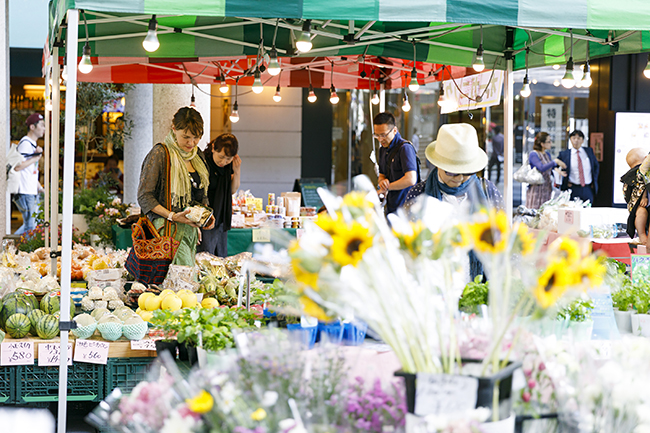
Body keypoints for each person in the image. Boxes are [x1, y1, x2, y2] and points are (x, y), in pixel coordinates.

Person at [404, 123, 503, 279]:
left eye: (467, 172)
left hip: (479, 287)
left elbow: (503, 240)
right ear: (438, 165)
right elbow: (408, 246)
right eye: (453, 172)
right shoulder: (419, 195)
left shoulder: (488, 191)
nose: (460, 178)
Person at [138, 107, 215, 267]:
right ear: (174, 129)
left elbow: (200, 195)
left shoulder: (198, 156)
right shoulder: (160, 154)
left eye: (196, 137)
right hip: (165, 233)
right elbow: (145, 197)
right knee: (180, 284)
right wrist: (172, 216)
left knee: (184, 284)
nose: (191, 143)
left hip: (189, 232)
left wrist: (204, 216)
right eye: (185, 137)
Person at [198, 133, 241, 258]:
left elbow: (232, 190)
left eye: (228, 158)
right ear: (213, 148)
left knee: (220, 257)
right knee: (205, 257)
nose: (224, 162)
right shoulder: (202, 163)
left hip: (221, 217)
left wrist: (237, 170)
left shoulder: (228, 167)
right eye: (221, 157)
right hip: (205, 218)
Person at [374, 112, 420, 215]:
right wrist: (382, 181)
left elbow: (411, 179)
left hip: (407, 208)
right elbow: (382, 174)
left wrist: (387, 187)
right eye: (377, 135)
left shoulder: (405, 148)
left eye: (383, 135)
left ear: (394, 130)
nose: (380, 139)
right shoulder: (382, 150)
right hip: (391, 206)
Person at [13, 113, 45, 235]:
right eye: (42, 125)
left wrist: (40, 188)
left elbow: (31, 171)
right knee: (30, 226)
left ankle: (9, 246)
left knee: (31, 225)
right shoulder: (25, 143)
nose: (44, 128)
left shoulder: (32, 144)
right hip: (24, 191)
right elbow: (17, 166)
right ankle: (14, 248)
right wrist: (35, 158)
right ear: (32, 127)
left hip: (30, 190)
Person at [525, 132, 567, 209]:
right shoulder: (533, 154)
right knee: (535, 212)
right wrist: (555, 161)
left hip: (546, 187)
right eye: (549, 141)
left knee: (544, 212)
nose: (551, 143)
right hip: (536, 188)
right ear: (542, 144)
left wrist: (557, 171)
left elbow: (548, 168)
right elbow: (541, 168)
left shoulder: (547, 154)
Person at [558, 130, 600, 203]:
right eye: (574, 138)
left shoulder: (589, 151)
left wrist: (594, 179)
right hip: (572, 188)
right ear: (570, 140)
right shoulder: (564, 154)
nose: (576, 140)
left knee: (588, 210)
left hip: (587, 188)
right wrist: (561, 175)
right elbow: (554, 166)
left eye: (579, 138)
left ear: (582, 140)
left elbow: (596, 166)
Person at [621, 148, 650, 244]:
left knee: (641, 213)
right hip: (639, 201)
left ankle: (641, 235)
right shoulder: (640, 171)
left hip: (632, 204)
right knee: (642, 213)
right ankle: (642, 235)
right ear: (646, 158)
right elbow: (643, 184)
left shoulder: (629, 175)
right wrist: (644, 197)